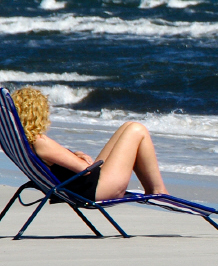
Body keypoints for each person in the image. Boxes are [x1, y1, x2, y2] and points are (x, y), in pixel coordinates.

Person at [11, 86, 168, 201]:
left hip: (85, 187)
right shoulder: (40, 142)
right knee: (136, 129)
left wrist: (77, 155)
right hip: (97, 190)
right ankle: (158, 190)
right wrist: (80, 158)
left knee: (127, 127)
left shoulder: (26, 142)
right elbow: (84, 169)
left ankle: (152, 190)